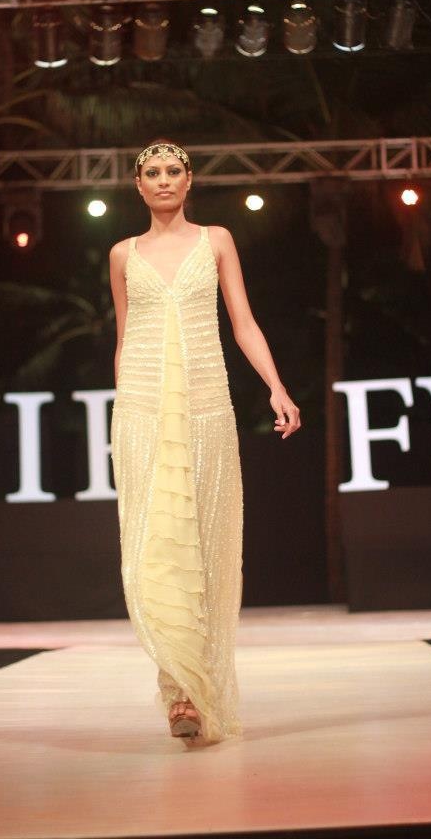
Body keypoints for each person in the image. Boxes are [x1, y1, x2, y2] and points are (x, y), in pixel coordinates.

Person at [109, 140, 300, 745]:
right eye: (152, 173)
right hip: (142, 409)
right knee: (154, 548)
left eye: (174, 171)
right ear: (138, 185)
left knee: (204, 541)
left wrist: (276, 387)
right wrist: (121, 413)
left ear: (189, 181)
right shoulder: (122, 254)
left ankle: (195, 695)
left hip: (205, 402)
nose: (164, 180)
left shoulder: (216, 240)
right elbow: (124, 338)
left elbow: (243, 322)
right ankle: (178, 692)